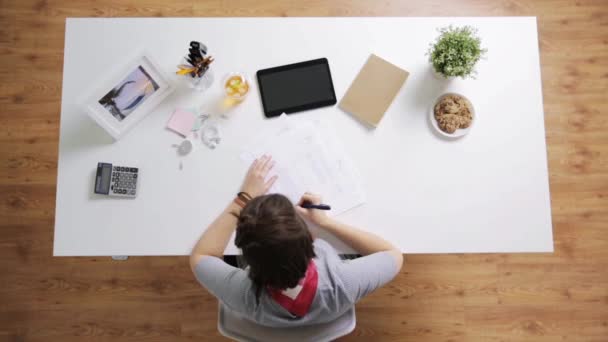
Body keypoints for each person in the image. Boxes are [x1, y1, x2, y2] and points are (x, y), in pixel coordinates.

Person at [190, 155, 403, 327]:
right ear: (312, 239)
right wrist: (327, 223)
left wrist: (244, 198)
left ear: (243, 258)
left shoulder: (243, 294)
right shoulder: (342, 283)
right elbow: (392, 254)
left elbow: (202, 255)